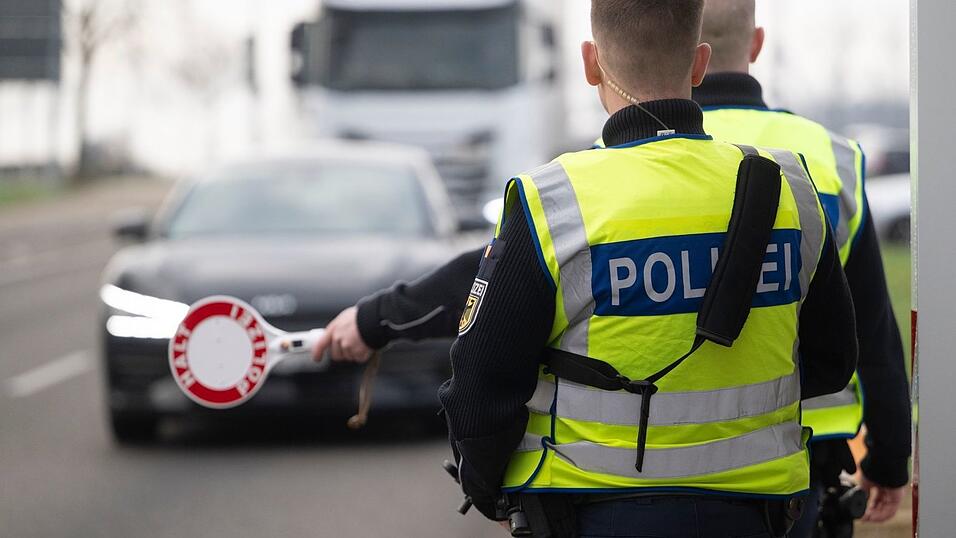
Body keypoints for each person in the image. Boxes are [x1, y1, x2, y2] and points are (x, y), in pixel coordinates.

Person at [317, 1, 910, 534]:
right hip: (762, 507)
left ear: (589, 63)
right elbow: (841, 357)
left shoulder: (561, 197)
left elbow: (482, 369)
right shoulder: (796, 187)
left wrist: (489, 489)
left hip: (595, 508)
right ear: (699, 64)